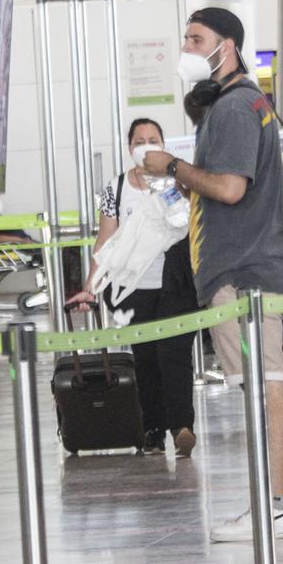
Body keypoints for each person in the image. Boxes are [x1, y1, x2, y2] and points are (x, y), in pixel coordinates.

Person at [138, 7, 283, 541]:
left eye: (196, 38)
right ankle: (274, 503)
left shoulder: (232, 108)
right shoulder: (242, 104)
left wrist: (172, 167)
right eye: (184, 37)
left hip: (244, 270)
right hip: (244, 264)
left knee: (263, 384)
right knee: (258, 384)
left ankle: (277, 505)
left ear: (225, 46)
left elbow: (231, 188)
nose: (186, 47)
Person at [73, 118, 198, 457]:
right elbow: (106, 240)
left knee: (174, 353)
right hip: (134, 288)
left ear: (164, 143)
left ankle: (182, 426)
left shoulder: (178, 180)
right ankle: (153, 428)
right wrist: (91, 286)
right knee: (146, 358)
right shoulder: (115, 189)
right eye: (139, 140)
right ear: (129, 147)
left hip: (176, 283)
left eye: (153, 138)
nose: (146, 144)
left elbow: (187, 224)